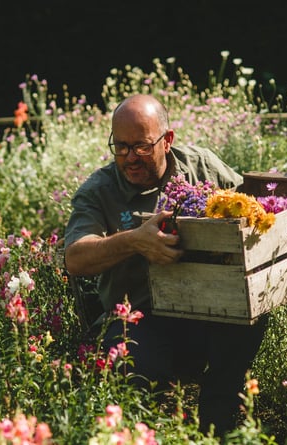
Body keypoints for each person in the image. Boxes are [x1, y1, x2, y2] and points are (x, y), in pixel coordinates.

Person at [63, 94, 267, 436]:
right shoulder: (98, 191)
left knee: (248, 322)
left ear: (167, 140)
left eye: (141, 147)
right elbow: (76, 257)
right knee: (133, 367)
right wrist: (133, 240)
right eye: (121, 147)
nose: (130, 158)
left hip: (209, 309)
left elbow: (248, 203)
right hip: (140, 317)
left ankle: (217, 433)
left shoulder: (199, 166)